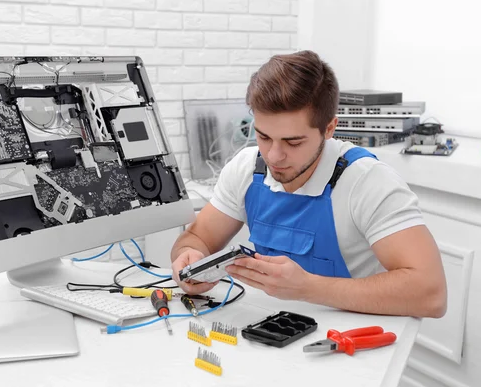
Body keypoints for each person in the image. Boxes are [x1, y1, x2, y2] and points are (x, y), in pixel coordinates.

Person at [170, 50, 447, 318]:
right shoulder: (246, 167)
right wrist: (188, 259)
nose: (274, 156)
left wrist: (307, 288)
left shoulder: (367, 181)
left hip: (350, 347)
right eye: (264, 137)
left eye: (293, 142)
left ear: (329, 128)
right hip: (270, 331)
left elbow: (431, 294)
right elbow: (197, 238)